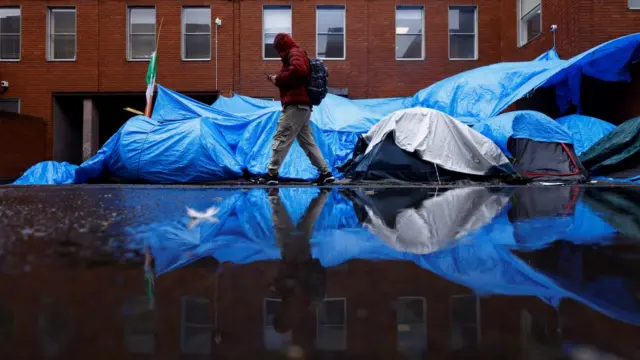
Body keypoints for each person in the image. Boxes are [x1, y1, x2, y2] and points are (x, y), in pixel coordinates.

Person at [258, 33, 335, 186]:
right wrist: (278, 79)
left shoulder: (294, 53)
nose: (277, 52)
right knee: (308, 142)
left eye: (277, 48)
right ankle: (326, 173)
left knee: (282, 137)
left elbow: (299, 71)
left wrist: (278, 79)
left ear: (281, 45)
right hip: (302, 106)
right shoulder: (295, 54)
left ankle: (271, 174)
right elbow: (296, 74)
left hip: (296, 106)